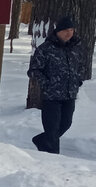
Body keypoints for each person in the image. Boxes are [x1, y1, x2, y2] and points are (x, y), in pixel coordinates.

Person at [28, 16, 87, 154]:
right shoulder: (46, 48)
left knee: (65, 124)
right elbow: (33, 70)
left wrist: (78, 80)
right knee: (52, 129)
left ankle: (41, 140)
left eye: (71, 30)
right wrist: (47, 84)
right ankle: (53, 159)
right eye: (65, 30)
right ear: (58, 31)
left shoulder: (75, 48)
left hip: (69, 94)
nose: (69, 33)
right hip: (51, 96)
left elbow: (81, 66)